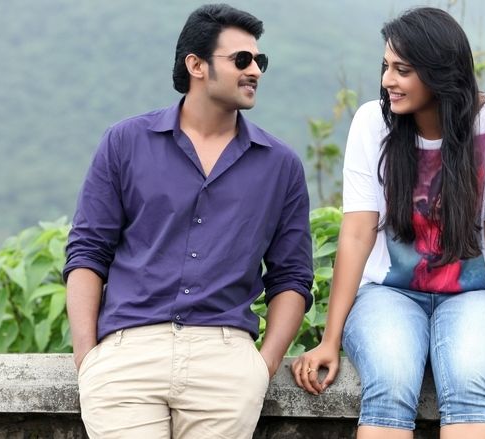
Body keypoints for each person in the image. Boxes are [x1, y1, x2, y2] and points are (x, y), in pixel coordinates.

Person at [291, 7, 485, 439]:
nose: (387, 80)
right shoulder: (373, 122)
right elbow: (356, 232)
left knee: (466, 381)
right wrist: (329, 340)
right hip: (389, 294)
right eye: (386, 67)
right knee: (388, 383)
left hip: (475, 295)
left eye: (402, 70)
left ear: (440, 73)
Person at [64, 4, 313, 438]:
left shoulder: (280, 166)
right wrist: (88, 356)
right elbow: (88, 251)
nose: (254, 70)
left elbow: (292, 276)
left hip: (225, 360)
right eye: (241, 60)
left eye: (259, 60)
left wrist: (263, 364)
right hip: (128, 354)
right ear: (195, 65)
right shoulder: (125, 142)